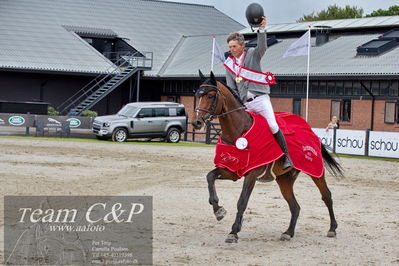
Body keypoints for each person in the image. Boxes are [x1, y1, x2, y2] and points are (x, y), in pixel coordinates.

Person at [224, 16, 293, 170]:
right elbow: (231, 88)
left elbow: (263, 47)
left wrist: (261, 30)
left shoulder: (253, 54)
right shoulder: (229, 65)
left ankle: (287, 157)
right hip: (244, 104)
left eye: (234, 46)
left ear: (242, 46)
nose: (231, 50)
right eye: (230, 47)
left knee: (273, 125)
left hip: (260, 99)